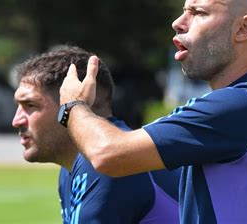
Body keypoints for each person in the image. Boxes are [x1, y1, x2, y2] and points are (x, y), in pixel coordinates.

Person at [60, 0, 247, 224]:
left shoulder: (240, 106)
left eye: (199, 12)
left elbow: (108, 155)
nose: (179, 22)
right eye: (184, 11)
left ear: (243, 28)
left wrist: (73, 105)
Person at [12, 46, 180, 223]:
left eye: (30, 105)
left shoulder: (110, 165)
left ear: (78, 104)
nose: (16, 120)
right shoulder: (72, 169)